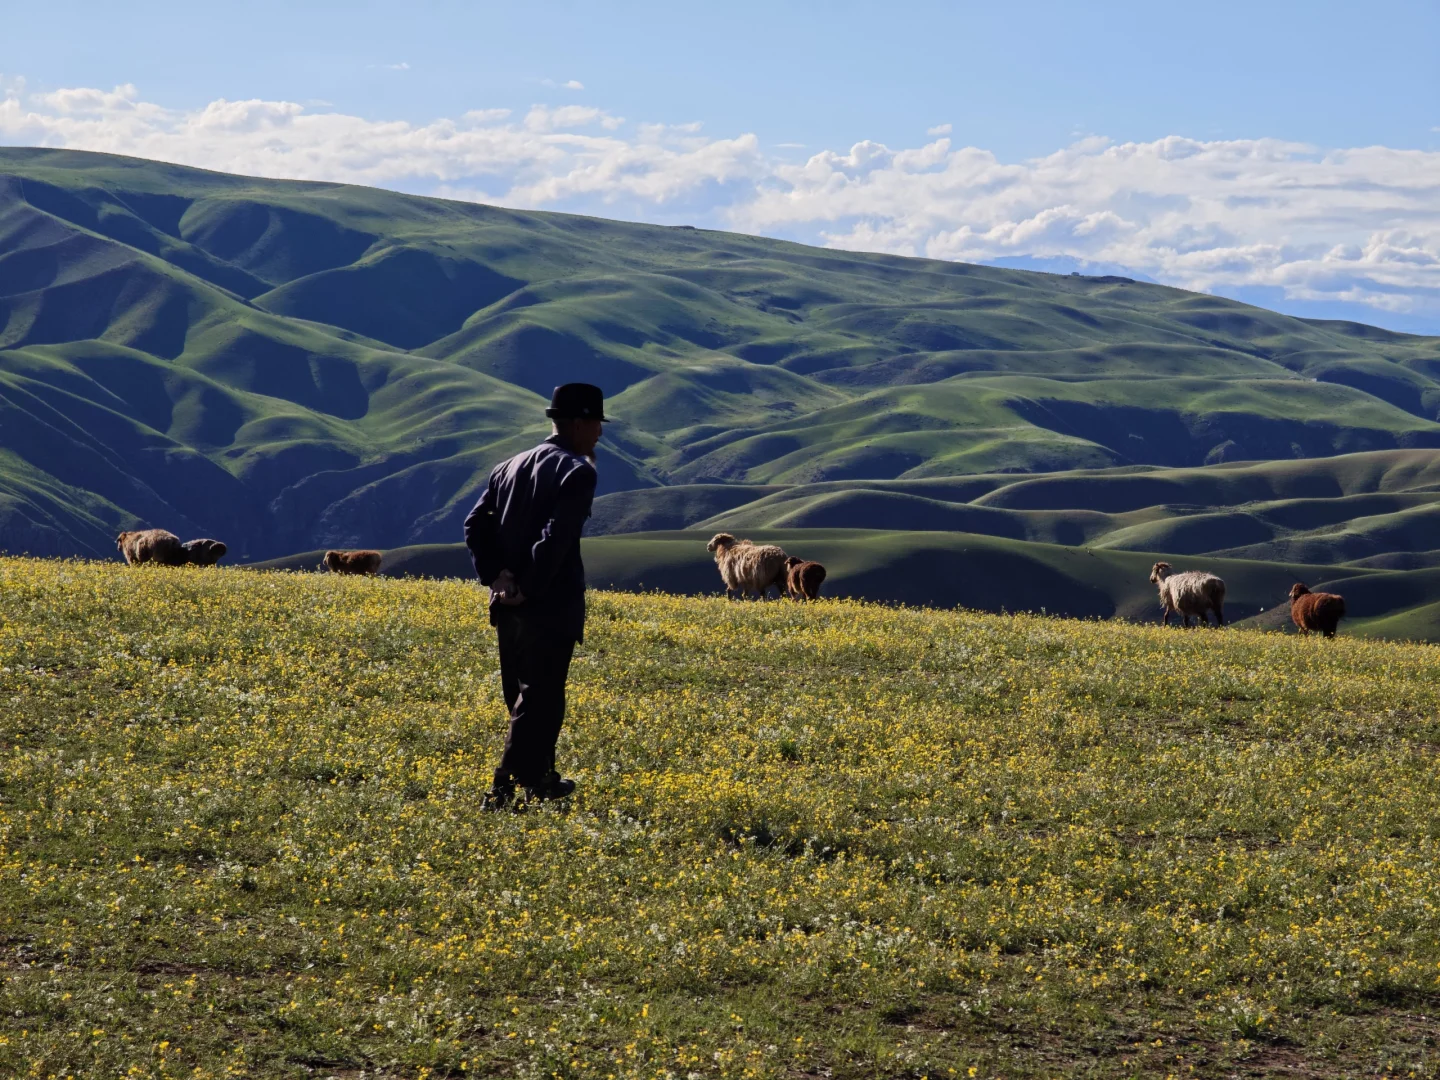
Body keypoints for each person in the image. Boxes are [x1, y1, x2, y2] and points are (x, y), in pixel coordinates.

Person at [463, 383, 608, 808]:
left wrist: (498, 577)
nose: (599, 433)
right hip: (549, 603)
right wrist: (526, 587)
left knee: (523, 697)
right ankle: (502, 788)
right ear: (578, 423)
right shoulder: (577, 472)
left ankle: (541, 779)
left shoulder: (508, 466)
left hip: (508, 606)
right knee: (540, 698)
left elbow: (474, 524)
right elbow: (556, 538)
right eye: (596, 424)